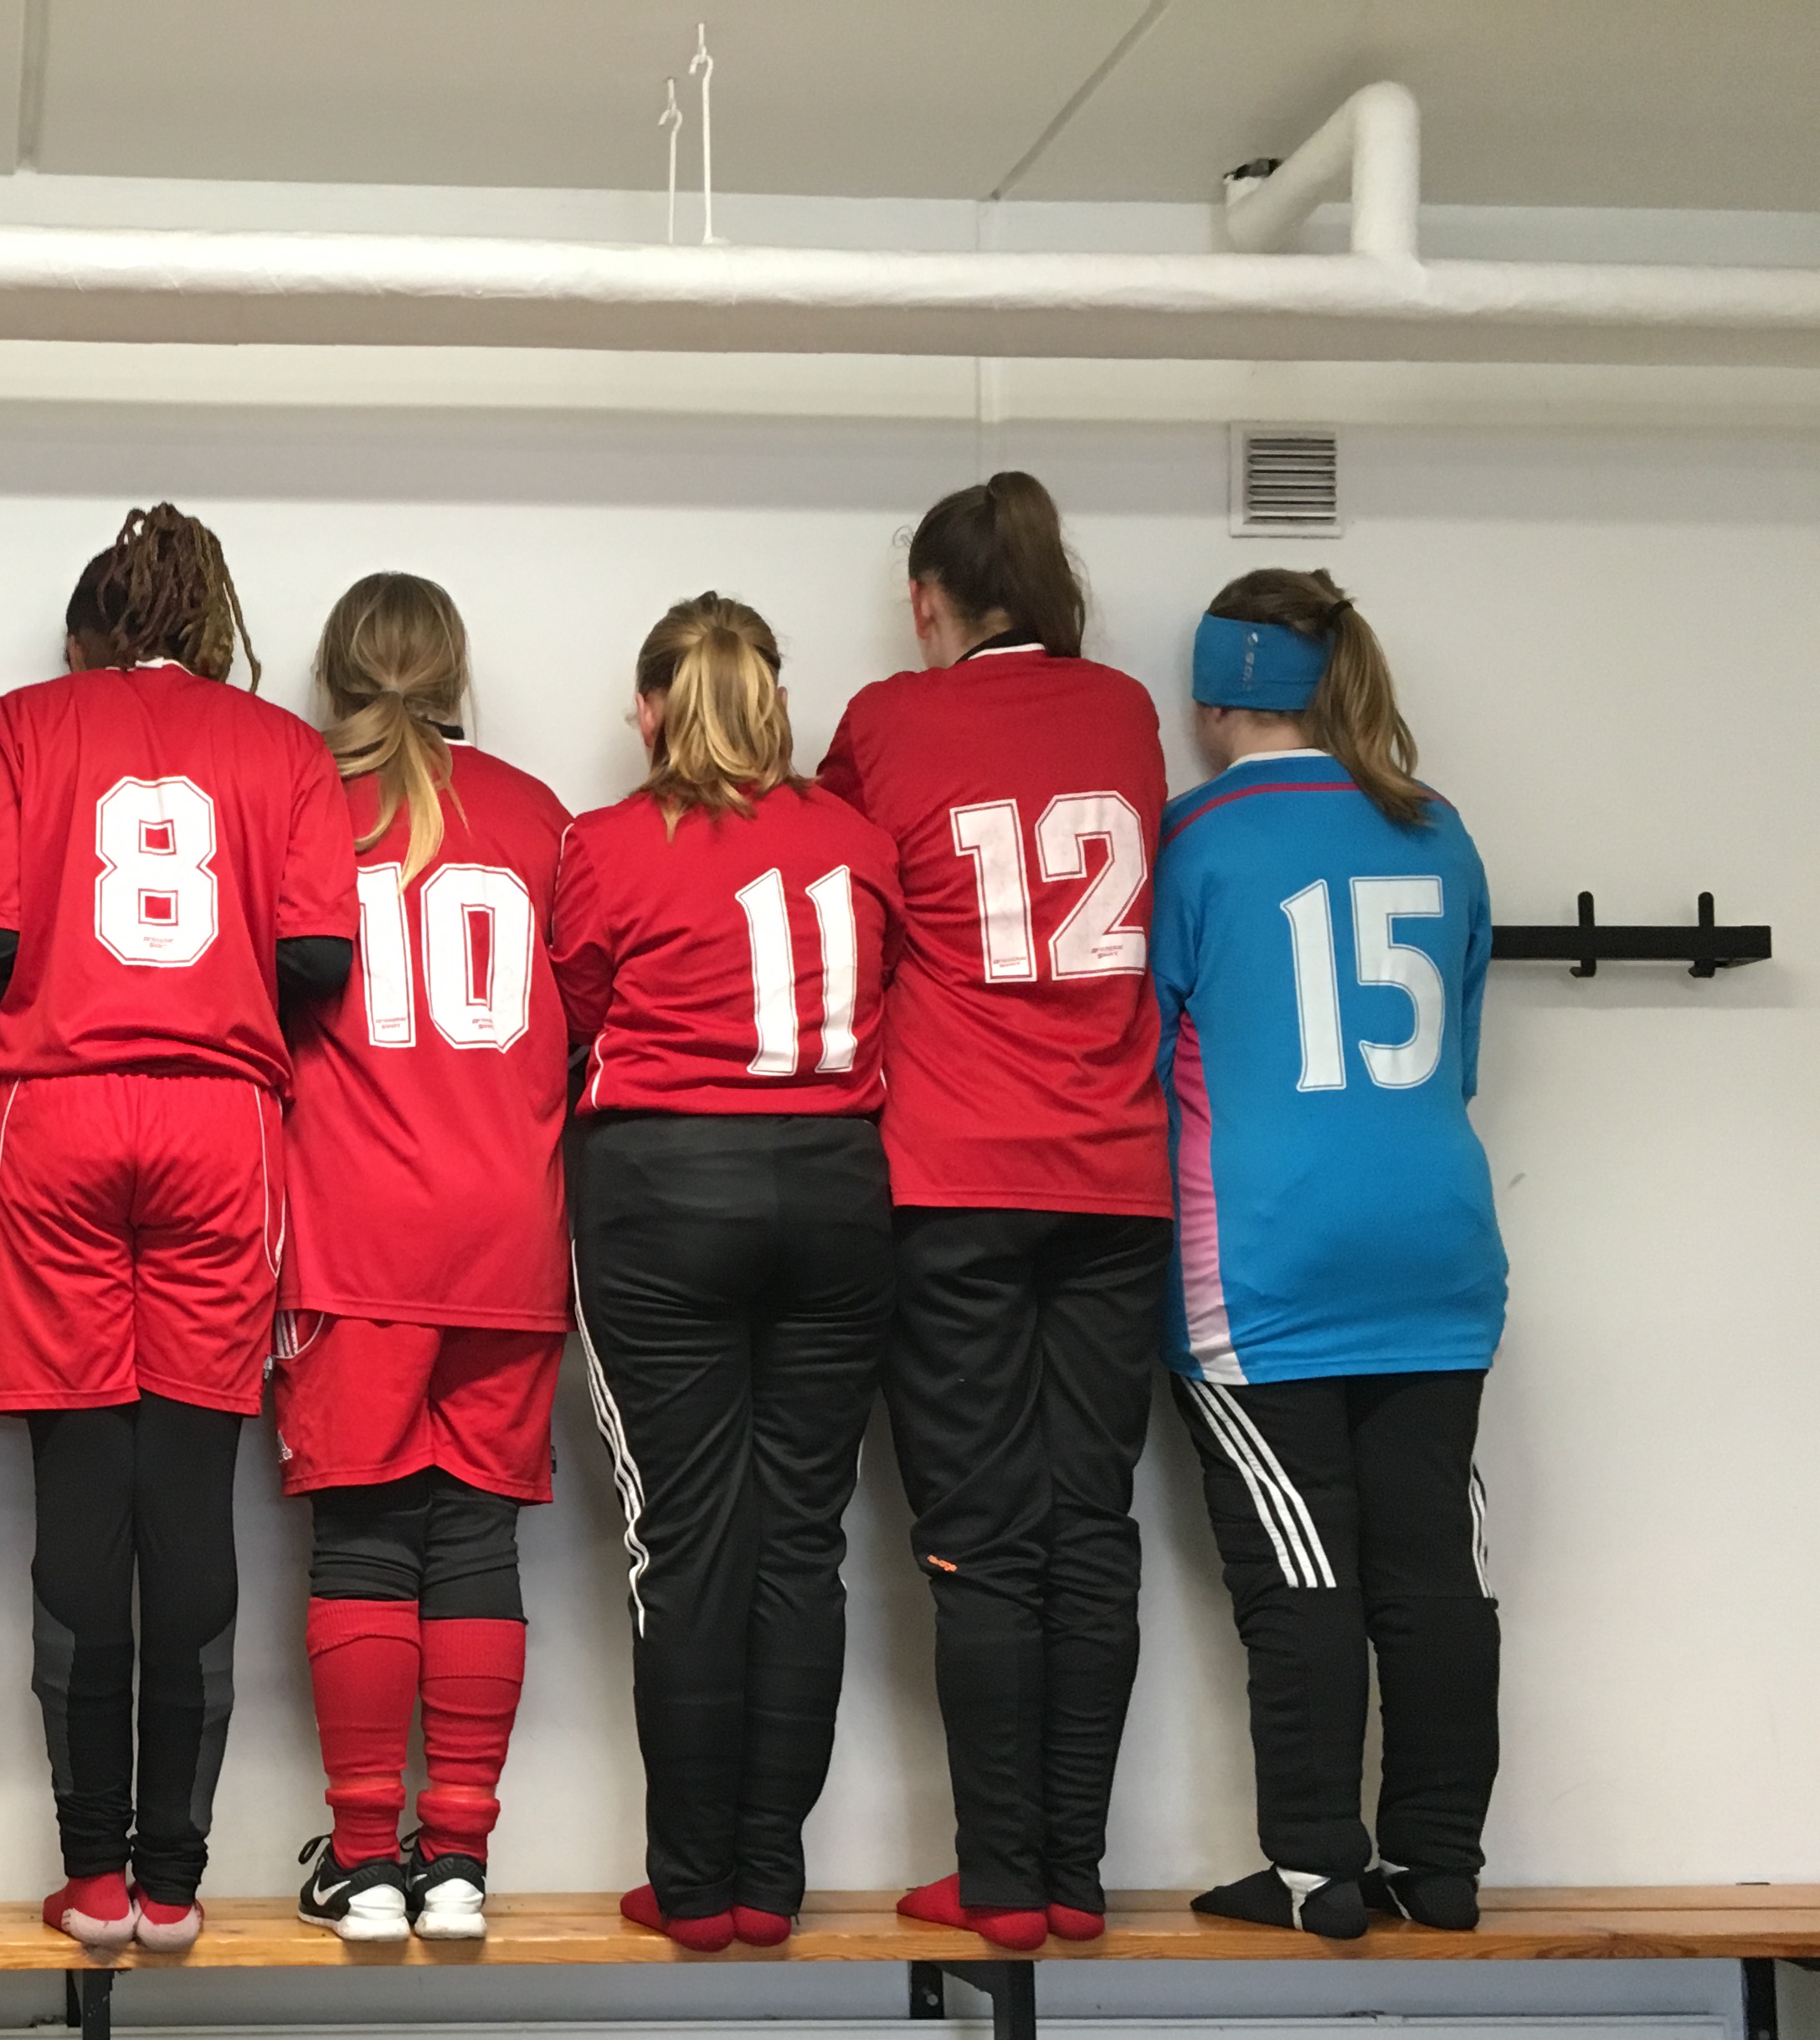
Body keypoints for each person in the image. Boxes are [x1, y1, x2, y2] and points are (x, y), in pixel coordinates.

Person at [0, 504, 352, 1954]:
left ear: (87, 637)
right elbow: (320, 955)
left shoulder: (20, 725)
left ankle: (95, 1879)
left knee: (79, 1503)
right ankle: (175, 1882)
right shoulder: (283, 748)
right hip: (219, 1124)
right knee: (190, 1495)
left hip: (56, 1117)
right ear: (210, 626)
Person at [815, 472, 1171, 1955]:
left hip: (953, 1173)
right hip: (1115, 1176)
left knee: (975, 1534)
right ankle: (1074, 1874)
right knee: (1091, 1524)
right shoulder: (1125, 709)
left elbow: (830, 886)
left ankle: (1001, 1875)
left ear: (928, 602)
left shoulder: (889, 721)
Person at [1157, 569, 1505, 1941]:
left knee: (1299, 1567)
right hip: (1439, 1247)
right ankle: (1441, 1864)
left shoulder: (1196, 840)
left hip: (1267, 1263)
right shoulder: (1438, 826)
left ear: (1212, 698)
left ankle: (1315, 1872)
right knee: (1433, 1566)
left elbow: (1143, 1058)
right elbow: (1461, 1053)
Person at [554, 594, 904, 1953]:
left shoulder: (606, 845)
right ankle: (770, 1877)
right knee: (802, 1539)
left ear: (652, 712)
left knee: (685, 1542)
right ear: (775, 703)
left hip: (665, 1194)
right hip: (837, 1188)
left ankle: (694, 1882)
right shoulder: (859, 840)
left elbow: (579, 1010)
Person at [275, 574, 568, 1945]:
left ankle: (363, 1863)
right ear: (455, 676)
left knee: (363, 1536)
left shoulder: (304, 809)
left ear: (334, 676)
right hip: (511, 1230)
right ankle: (456, 1859)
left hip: (358, 1234)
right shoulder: (538, 816)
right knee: (475, 1540)